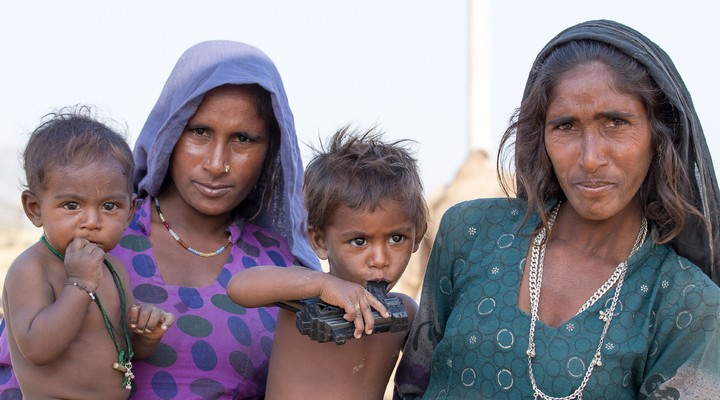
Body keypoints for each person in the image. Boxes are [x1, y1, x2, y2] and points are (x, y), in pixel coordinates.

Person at [394, 19, 720, 399]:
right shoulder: (470, 233)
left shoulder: (686, 303)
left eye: (616, 122)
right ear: (541, 136)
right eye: (566, 126)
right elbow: (412, 387)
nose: (591, 157)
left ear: (659, 135)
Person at [0, 41, 321, 399]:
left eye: (243, 139)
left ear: (271, 150)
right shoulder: (96, 236)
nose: (217, 163)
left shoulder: (282, 265)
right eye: (199, 132)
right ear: (169, 133)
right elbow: (16, 372)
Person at [227, 127, 429, 399]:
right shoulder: (306, 296)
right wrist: (322, 284)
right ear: (320, 241)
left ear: (418, 236)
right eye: (359, 241)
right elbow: (239, 287)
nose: (380, 260)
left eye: (396, 238)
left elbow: (428, 372)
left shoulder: (404, 313)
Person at [2, 108, 175, 399]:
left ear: (130, 211)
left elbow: (126, 350)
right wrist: (79, 285)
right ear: (35, 209)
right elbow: (36, 348)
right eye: (71, 205)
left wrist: (146, 335)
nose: (92, 221)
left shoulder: (113, 270)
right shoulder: (32, 268)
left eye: (109, 206)